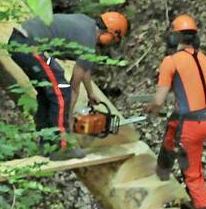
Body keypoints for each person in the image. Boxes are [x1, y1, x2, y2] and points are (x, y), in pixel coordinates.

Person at [144, 14, 206, 209]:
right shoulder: (204, 58)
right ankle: (163, 168)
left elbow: (159, 100)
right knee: (173, 124)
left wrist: (151, 107)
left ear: (173, 38)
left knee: (193, 174)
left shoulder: (170, 61)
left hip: (193, 124)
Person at [8, 11, 129, 160]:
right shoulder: (88, 41)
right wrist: (69, 119)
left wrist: (90, 93)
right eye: (113, 39)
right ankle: (62, 146)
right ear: (110, 34)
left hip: (19, 42)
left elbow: (84, 69)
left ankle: (47, 143)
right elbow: (74, 88)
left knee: (47, 92)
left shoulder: (86, 24)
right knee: (61, 92)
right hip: (29, 46)